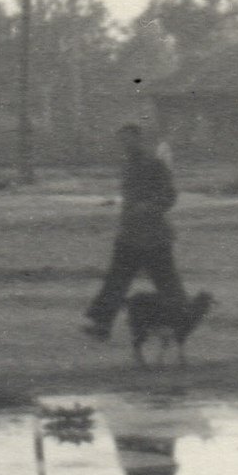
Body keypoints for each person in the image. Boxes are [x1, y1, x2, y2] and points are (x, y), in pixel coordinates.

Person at [81, 123, 184, 340]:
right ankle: (102, 325)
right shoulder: (128, 166)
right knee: (116, 280)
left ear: (139, 139)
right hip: (130, 234)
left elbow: (170, 195)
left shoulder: (154, 164)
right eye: (122, 140)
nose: (125, 144)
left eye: (129, 139)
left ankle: (182, 321)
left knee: (167, 282)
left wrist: (149, 207)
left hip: (154, 235)